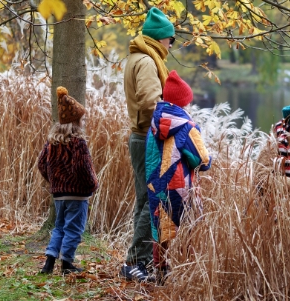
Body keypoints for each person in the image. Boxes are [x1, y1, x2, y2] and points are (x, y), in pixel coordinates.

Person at [120, 7, 175, 282]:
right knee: (149, 201)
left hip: (140, 135)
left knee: (144, 199)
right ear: (159, 38)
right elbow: (151, 102)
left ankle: (137, 262)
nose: (171, 44)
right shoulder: (147, 62)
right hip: (146, 137)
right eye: (170, 39)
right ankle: (134, 262)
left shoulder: (139, 57)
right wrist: (174, 121)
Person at [145, 70, 212, 284]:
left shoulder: (154, 124)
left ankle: (161, 273)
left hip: (155, 186)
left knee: (161, 228)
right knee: (187, 228)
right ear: (184, 102)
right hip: (179, 188)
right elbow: (203, 161)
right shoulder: (187, 126)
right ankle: (185, 273)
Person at [38, 86, 99, 275]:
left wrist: (54, 181)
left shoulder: (52, 142)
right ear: (76, 121)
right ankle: (66, 264)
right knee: (74, 228)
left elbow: (41, 164)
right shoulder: (78, 143)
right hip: (77, 195)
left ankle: (49, 263)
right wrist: (92, 185)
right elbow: (84, 168)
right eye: (82, 119)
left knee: (59, 227)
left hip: (59, 194)